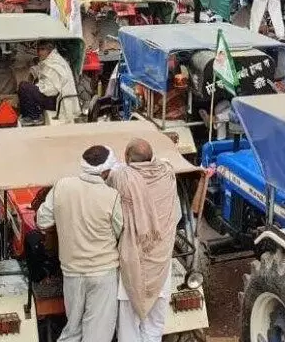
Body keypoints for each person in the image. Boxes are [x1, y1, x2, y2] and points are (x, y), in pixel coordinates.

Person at [36, 145, 123, 342]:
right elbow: (120, 231)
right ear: (106, 171)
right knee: (98, 333)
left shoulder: (62, 186)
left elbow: (42, 221)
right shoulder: (112, 196)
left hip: (72, 273)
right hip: (103, 273)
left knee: (72, 329)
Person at [107, 138, 181, 342]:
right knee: (155, 327)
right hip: (161, 268)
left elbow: (112, 173)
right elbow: (164, 161)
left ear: (127, 158)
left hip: (133, 270)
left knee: (129, 327)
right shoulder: (167, 174)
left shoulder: (122, 178)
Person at [18, 41, 80, 124]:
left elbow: (51, 91)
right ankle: (29, 115)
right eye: (38, 49)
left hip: (58, 101)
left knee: (24, 86)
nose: (39, 52)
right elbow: (43, 74)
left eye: (42, 49)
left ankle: (34, 117)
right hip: (58, 98)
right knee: (27, 87)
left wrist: (36, 87)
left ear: (50, 50)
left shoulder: (54, 64)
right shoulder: (54, 60)